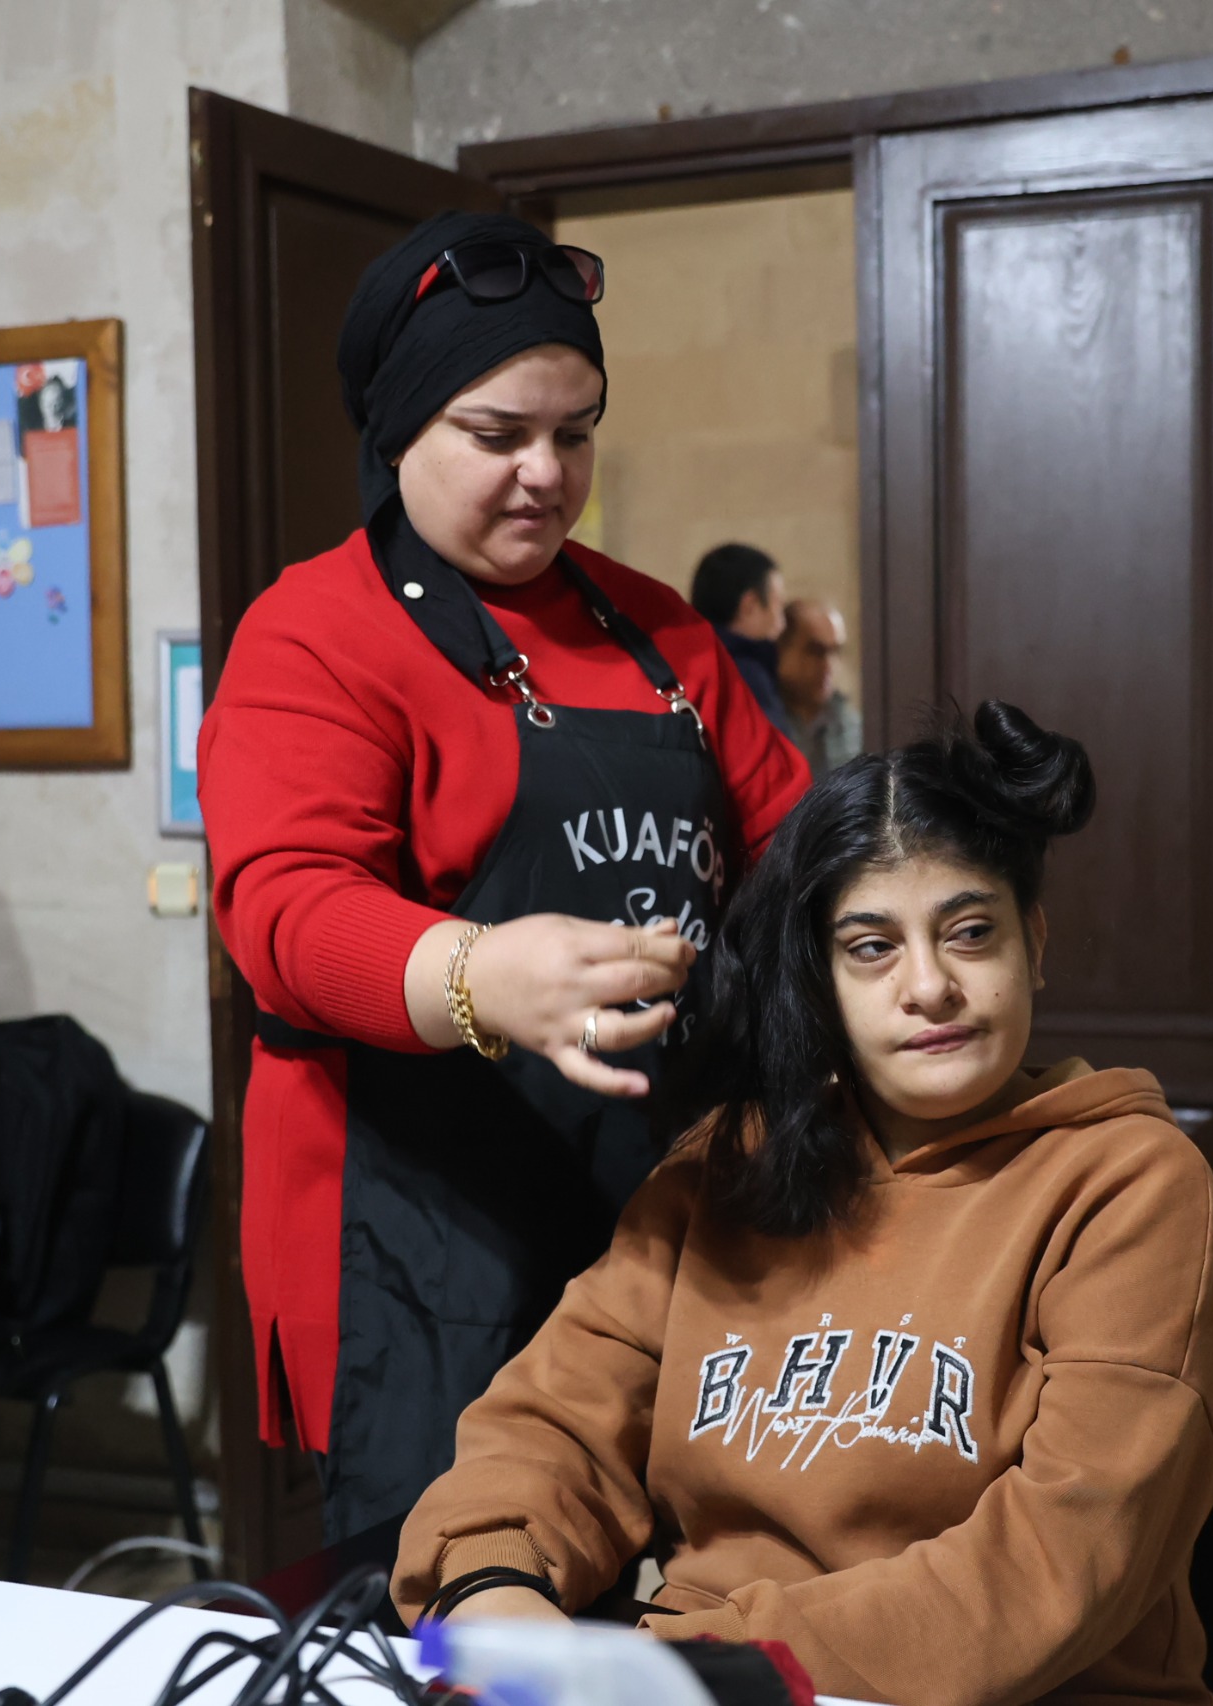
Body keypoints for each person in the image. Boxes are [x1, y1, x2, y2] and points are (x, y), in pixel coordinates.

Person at [393, 702, 1213, 1706]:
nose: (929, 986)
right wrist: (494, 1591)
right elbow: (549, 1425)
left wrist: (686, 1663)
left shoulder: (1129, 1183)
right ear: (819, 978)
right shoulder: (721, 1170)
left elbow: (1057, 1566)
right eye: (871, 947)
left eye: (970, 932)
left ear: (1033, 942)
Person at [198, 212, 810, 1548]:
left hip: (662, 1211)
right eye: (498, 435)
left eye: (575, 433)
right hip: (422, 1237)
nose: (546, 473)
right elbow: (286, 912)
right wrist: (477, 973)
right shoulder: (315, 632)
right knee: (463, 1599)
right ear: (399, 431)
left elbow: (794, 849)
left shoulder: (659, 630)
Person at [688, 542, 792, 733]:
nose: (782, 624)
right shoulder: (748, 680)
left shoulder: (677, 668)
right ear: (749, 605)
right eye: (778, 606)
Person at [776, 596, 861, 779]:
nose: (829, 666)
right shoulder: (766, 717)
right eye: (815, 651)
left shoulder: (848, 723)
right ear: (782, 649)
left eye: (835, 651)